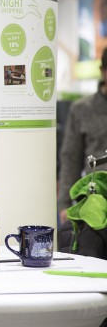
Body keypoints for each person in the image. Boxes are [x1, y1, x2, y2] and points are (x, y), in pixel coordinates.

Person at [58, 48, 107, 225]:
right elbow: (71, 159)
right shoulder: (82, 110)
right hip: (94, 203)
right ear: (103, 71)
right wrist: (64, 204)